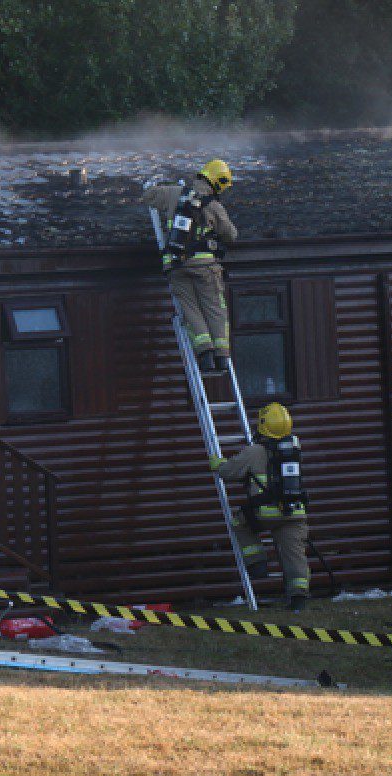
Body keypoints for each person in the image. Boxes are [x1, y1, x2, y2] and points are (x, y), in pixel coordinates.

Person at [210, 402, 310, 612]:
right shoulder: (294, 448)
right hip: (295, 512)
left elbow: (228, 471)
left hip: (266, 513)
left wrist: (217, 463)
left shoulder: (255, 451)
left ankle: (257, 563)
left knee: (240, 522)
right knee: (295, 555)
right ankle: (298, 599)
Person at [142, 159, 238, 375]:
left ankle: (205, 356)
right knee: (214, 309)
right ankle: (222, 358)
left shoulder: (173, 193)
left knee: (190, 309)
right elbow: (231, 235)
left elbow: (148, 196)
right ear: (218, 182)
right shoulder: (214, 206)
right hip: (206, 267)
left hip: (176, 265)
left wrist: (161, 187)